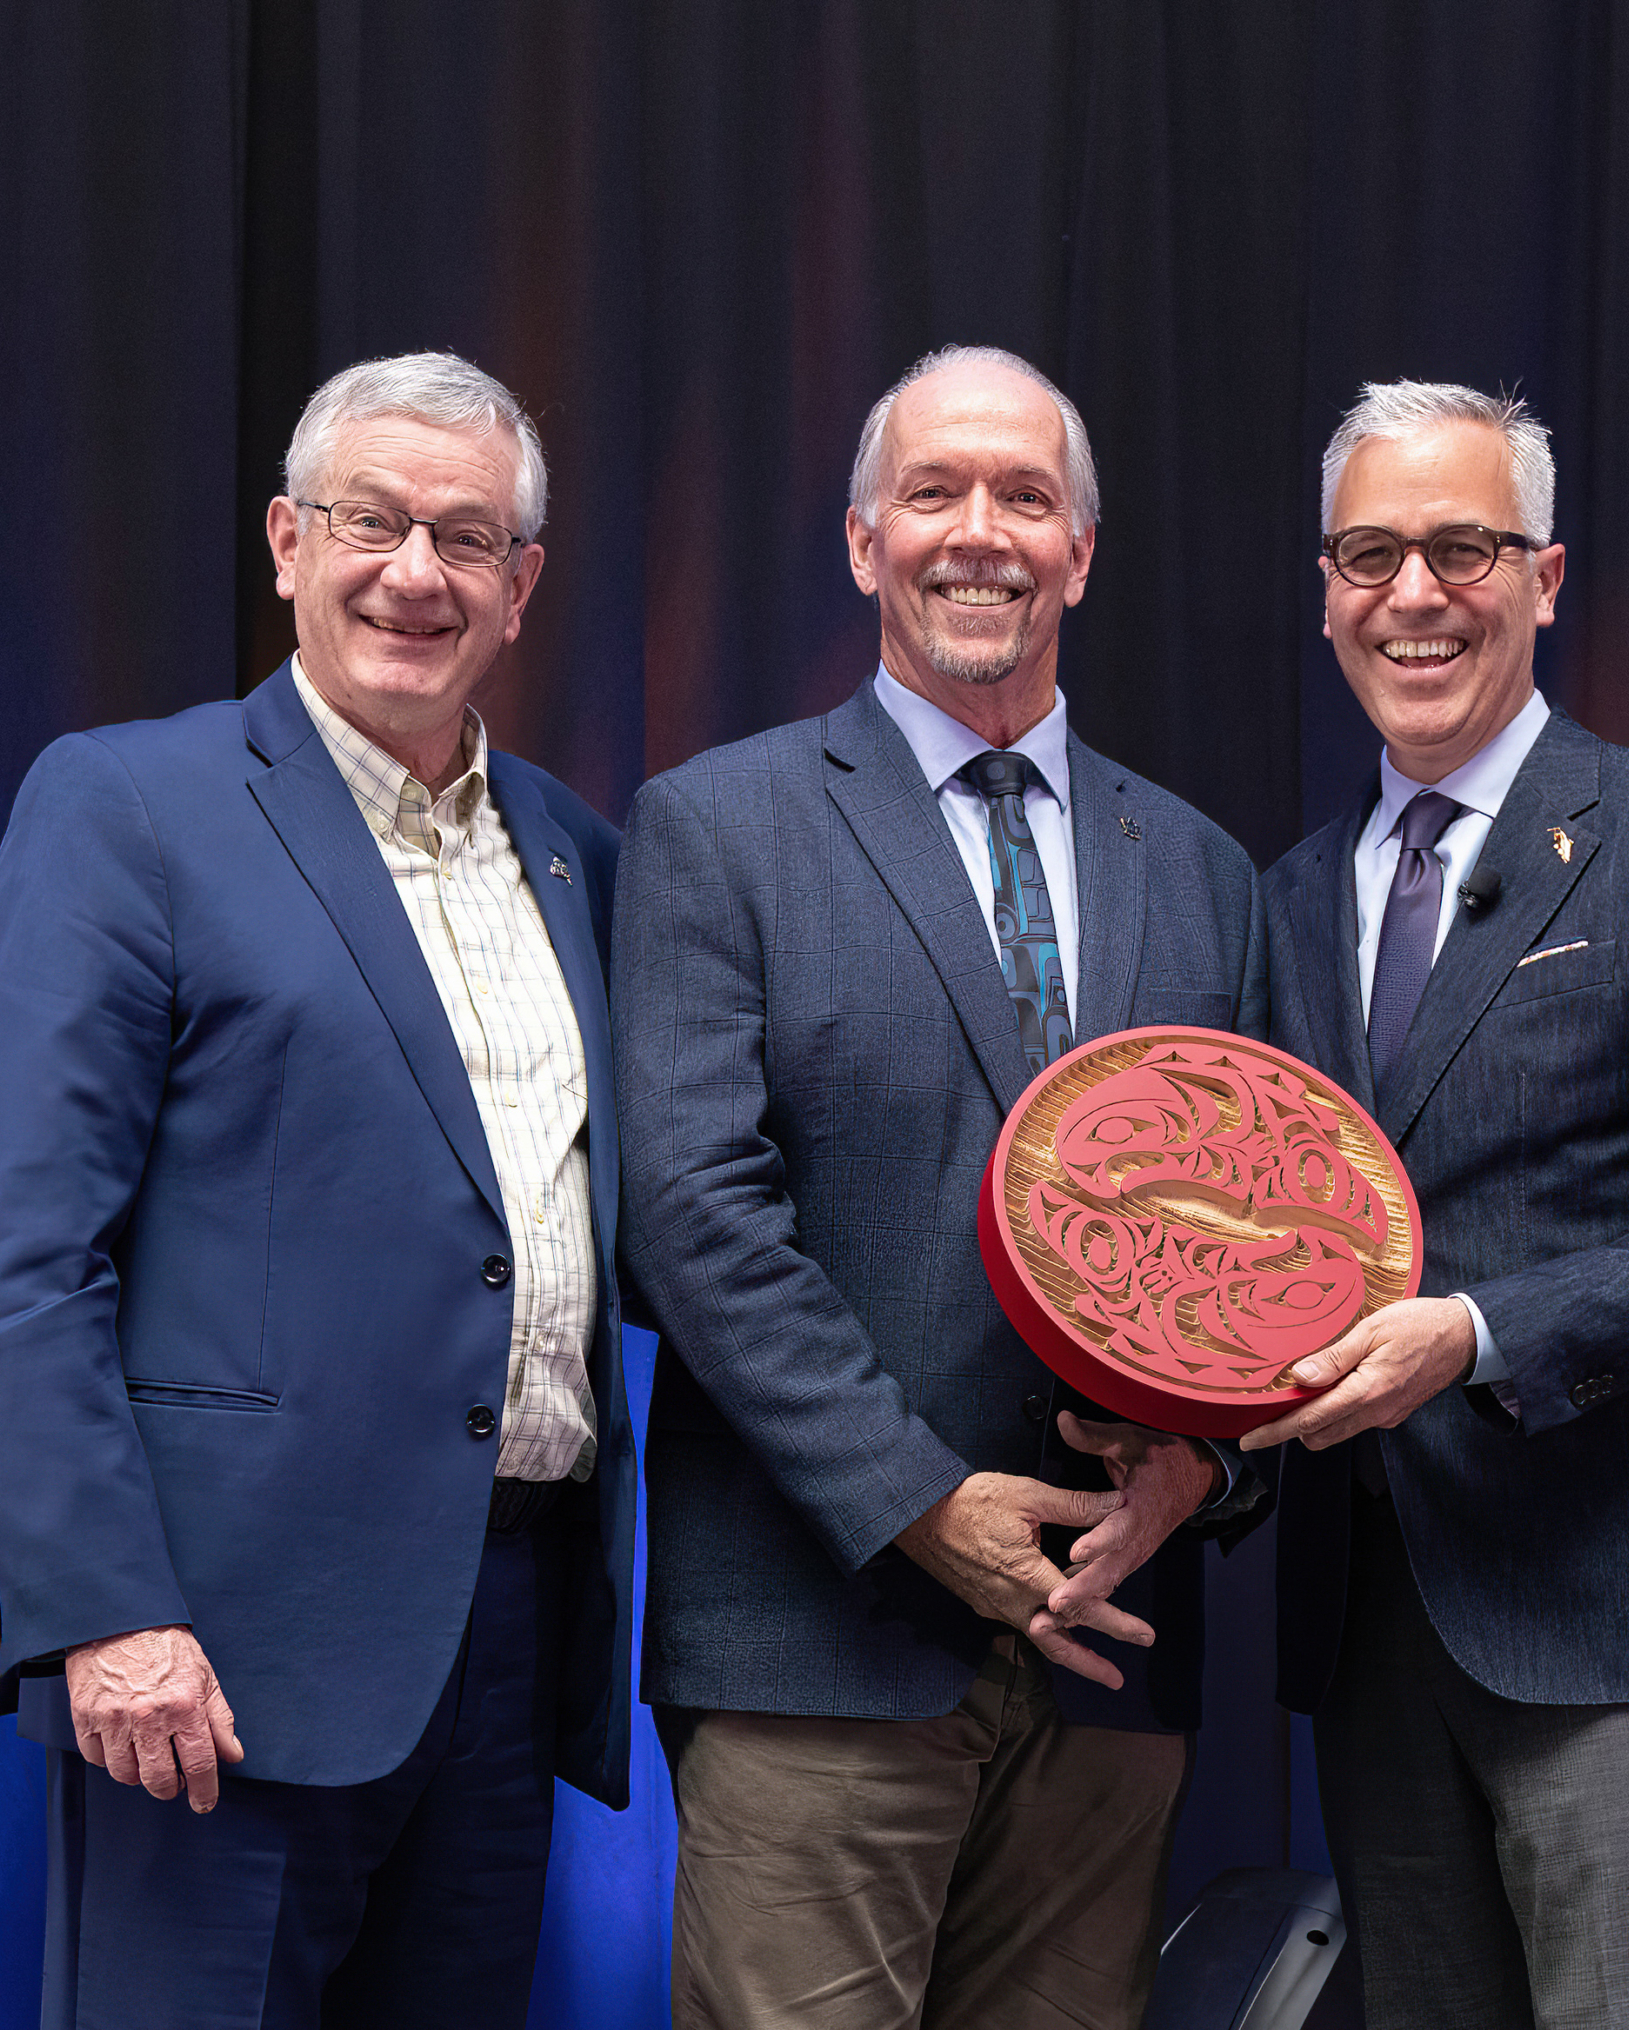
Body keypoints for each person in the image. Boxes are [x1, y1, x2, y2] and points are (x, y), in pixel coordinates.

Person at [0, 351, 631, 2029]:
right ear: (285, 542)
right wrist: (107, 1612)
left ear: (522, 587)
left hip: (507, 1636)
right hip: (214, 1662)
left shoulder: (578, 851)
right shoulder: (127, 807)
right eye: (371, 520)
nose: (416, 569)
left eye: (465, 537)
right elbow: (24, 1260)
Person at [612, 344, 1267, 2030]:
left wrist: (1197, 1472)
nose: (979, 533)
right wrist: (922, 1504)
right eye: (934, 492)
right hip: (821, 1643)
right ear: (859, 540)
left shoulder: (1197, 867)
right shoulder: (719, 827)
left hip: (1117, 1656)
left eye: (1025, 497)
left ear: (1083, 551)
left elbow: (1263, 1235)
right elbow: (694, 1216)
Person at [1242, 381, 1629, 2028]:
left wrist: (1485, 1331)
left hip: (1624, 1637)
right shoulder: (1283, 903)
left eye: (1462, 547)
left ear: (1548, 575)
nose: (1413, 593)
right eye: (1371, 553)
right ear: (1324, 588)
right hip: (1371, 1647)